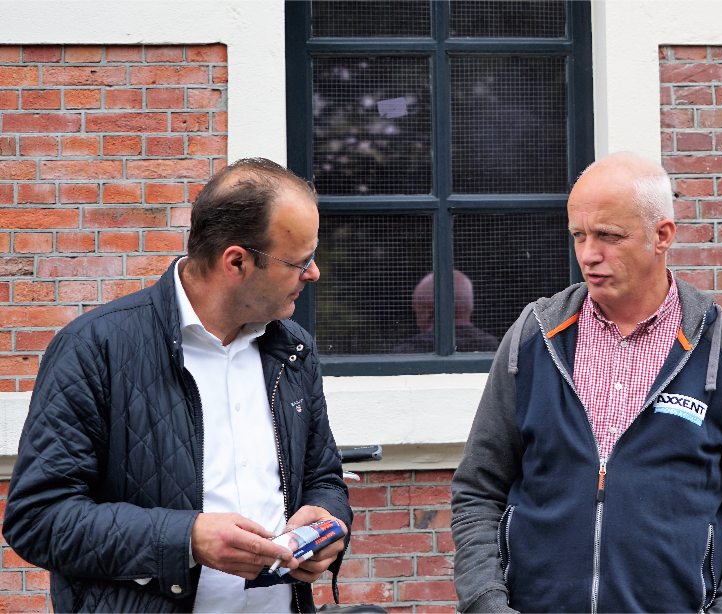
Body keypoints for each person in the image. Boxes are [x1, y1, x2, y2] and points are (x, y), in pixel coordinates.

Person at [450, 151, 722, 613]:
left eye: (609, 236)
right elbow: (478, 490)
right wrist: (486, 604)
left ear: (662, 236)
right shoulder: (534, 339)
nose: (588, 255)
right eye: (579, 235)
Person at [3, 158, 353, 613]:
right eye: (299, 261)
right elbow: (38, 518)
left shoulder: (293, 350)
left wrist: (329, 521)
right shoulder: (94, 349)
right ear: (236, 262)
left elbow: (324, 477)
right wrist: (185, 539)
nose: (314, 273)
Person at [392, 271, 499, 354]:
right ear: (469, 307)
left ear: (427, 313)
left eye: (417, 312)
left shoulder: (408, 352)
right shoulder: (495, 349)